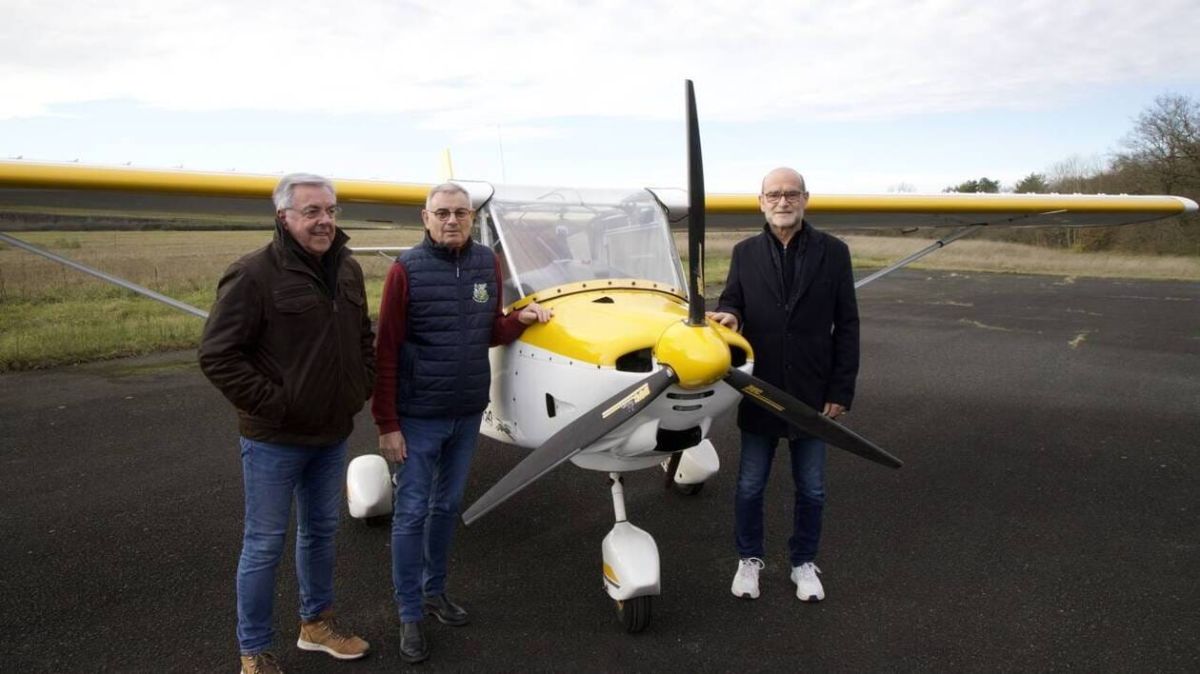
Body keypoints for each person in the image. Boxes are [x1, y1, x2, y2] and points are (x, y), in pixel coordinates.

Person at [199, 173, 375, 674]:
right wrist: (274, 404)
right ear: (284, 217)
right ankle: (253, 651)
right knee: (263, 543)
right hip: (274, 439)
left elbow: (362, 335)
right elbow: (218, 354)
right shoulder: (253, 273)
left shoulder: (347, 269)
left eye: (331, 211)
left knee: (320, 532)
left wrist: (359, 386)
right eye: (312, 211)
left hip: (331, 433)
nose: (324, 221)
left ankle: (316, 626)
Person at [372, 183, 551, 664]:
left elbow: (489, 328)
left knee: (446, 506)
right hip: (417, 416)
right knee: (411, 513)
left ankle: (434, 592)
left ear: (472, 218)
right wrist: (387, 422)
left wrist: (523, 319)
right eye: (442, 213)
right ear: (425, 218)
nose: (452, 220)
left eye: (461, 213)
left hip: (467, 410)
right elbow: (386, 347)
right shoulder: (405, 270)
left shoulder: (485, 264)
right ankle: (409, 611)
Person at [708, 167, 860, 603]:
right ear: (760, 202)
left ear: (806, 199)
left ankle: (803, 563)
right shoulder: (745, 252)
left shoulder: (835, 252)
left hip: (812, 393)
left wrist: (840, 391)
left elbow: (847, 325)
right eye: (773, 194)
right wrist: (731, 315)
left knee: (811, 487)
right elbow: (733, 299)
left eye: (791, 194)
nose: (782, 201)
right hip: (761, 389)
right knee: (750, 485)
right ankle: (749, 559)